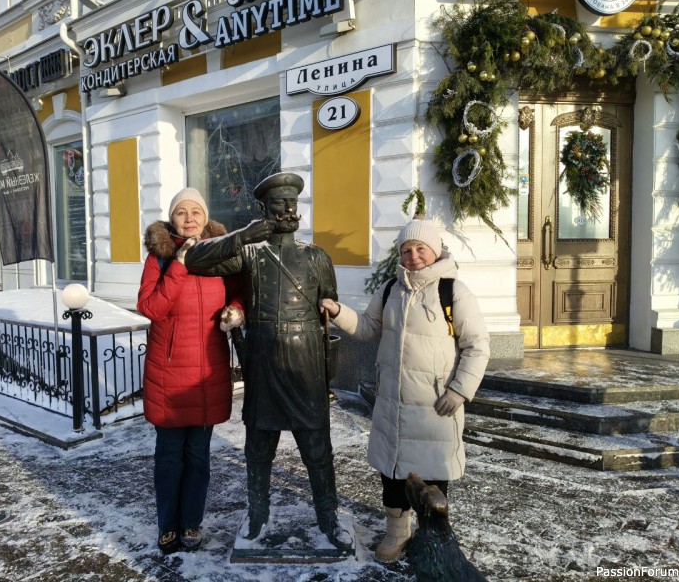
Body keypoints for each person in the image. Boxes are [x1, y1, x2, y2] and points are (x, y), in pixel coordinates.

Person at [183, 172, 351, 549]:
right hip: (262, 357)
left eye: (293, 203)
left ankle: (328, 518)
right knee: (258, 447)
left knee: (316, 447)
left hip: (305, 358)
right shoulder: (248, 253)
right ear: (263, 209)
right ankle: (258, 514)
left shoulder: (316, 257)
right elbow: (194, 259)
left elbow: (327, 306)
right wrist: (244, 235)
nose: (289, 209)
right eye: (279, 204)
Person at [320, 218, 490, 563]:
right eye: (406, 249)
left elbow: (477, 346)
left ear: (435, 250)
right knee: (393, 469)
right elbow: (368, 329)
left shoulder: (453, 292)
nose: (413, 256)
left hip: (435, 405)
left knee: (432, 472)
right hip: (393, 402)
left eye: (420, 249)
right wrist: (338, 311)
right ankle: (397, 532)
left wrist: (459, 390)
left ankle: (432, 535)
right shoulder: (390, 289)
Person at [137, 188, 244, 555]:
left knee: (198, 456)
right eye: (181, 212)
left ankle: (191, 522)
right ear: (172, 219)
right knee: (169, 456)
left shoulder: (221, 253)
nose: (188, 217)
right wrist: (179, 266)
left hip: (208, 371)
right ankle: (168, 525)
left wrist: (237, 309)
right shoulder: (160, 258)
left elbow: (240, 289)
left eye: (195, 211)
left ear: (205, 216)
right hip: (168, 373)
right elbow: (150, 307)